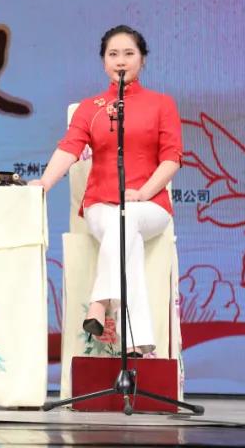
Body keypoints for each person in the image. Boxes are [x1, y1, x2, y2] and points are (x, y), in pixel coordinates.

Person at [31, 25, 181, 356]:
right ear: (103, 62)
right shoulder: (92, 107)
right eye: (113, 54)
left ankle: (98, 303)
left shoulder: (162, 104)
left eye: (129, 53)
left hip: (150, 205)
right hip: (101, 204)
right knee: (123, 231)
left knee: (127, 221)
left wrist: (143, 193)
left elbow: (172, 159)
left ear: (142, 59)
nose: (121, 61)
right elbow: (70, 148)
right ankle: (138, 343)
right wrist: (44, 183)